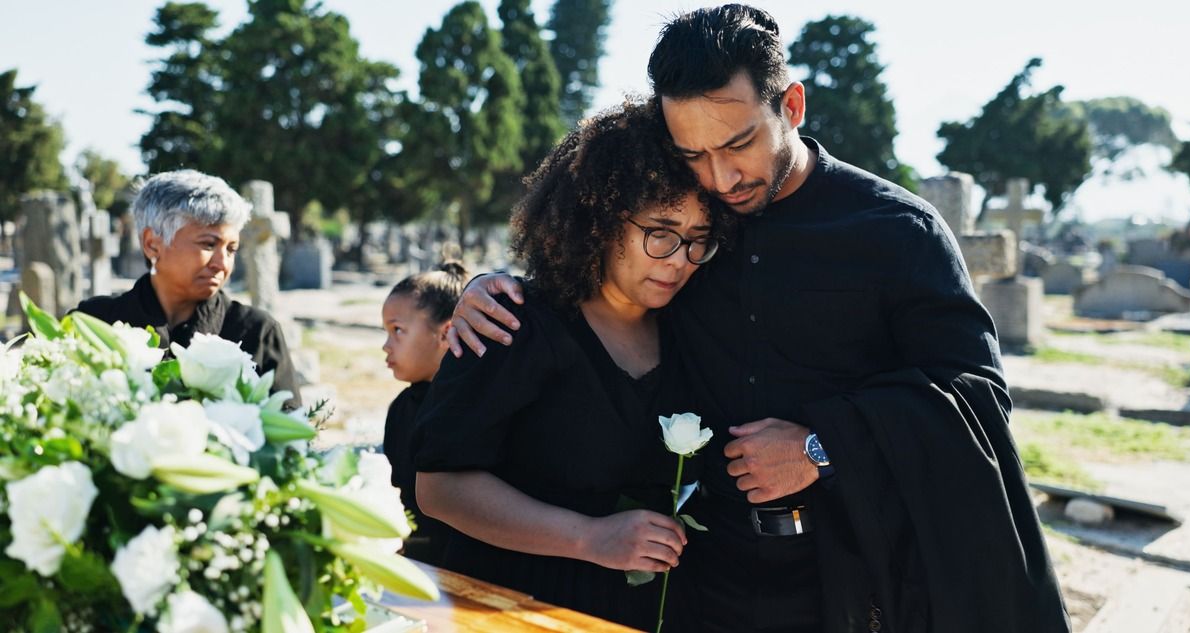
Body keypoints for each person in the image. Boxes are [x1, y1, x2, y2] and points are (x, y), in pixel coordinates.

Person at [445, 5, 1070, 632]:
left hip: (850, 579)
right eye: (693, 153)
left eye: (739, 143)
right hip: (692, 578)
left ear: (791, 106)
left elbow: (976, 396)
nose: (720, 178)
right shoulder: (694, 219)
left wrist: (820, 446)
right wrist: (496, 285)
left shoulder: (897, 232)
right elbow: (609, 254)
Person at [411, 100, 734, 630]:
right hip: (518, 609)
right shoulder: (510, 323)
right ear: (600, 219)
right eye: (660, 230)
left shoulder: (691, 329)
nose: (679, 259)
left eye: (698, 238)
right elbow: (440, 486)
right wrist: (589, 537)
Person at [75, 169, 300, 410]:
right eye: (208, 244)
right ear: (152, 244)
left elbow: (291, 439)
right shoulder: (94, 323)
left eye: (231, 249)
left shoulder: (257, 332)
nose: (221, 263)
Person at [379, 261, 469, 565]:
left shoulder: (471, 406)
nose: (385, 346)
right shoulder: (401, 409)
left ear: (445, 333)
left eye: (397, 330)